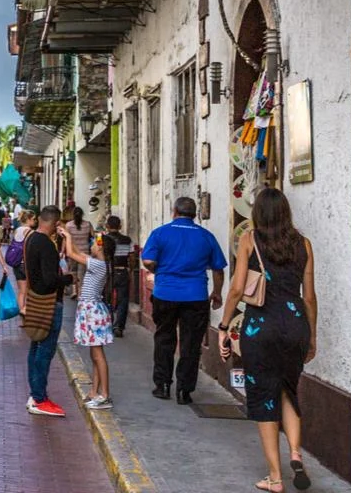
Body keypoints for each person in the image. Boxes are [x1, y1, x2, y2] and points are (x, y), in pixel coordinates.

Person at [218, 189, 318, 493]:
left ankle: (275, 478)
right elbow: (310, 297)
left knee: (264, 398)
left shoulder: (250, 239)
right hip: (295, 325)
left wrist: (224, 326)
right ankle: (296, 454)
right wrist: (311, 336)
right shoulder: (303, 244)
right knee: (288, 391)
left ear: (258, 213)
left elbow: (236, 289)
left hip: (261, 328)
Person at [141, 196, 228, 404]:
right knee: (191, 343)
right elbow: (218, 269)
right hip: (196, 296)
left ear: (174, 212)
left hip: (165, 294)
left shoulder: (160, 233)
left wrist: (159, 270)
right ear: (194, 214)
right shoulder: (206, 236)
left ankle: (162, 386)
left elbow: (148, 260)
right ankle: (184, 391)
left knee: (164, 339)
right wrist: (216, 292)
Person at [23, 205, 76, 417]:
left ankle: (35, 393)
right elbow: (49, 279)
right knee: (45, 349)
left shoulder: (30, 238)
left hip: (35, 299)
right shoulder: (46, 245)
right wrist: (69, 278)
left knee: (36, 346)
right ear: (55, 224)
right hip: (48, 302)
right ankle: (39, 397)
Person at [59, 228, 115, 408]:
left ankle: (104, 394)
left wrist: (68, 236)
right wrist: (69, 238)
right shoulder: (99, 263)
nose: (91, 244)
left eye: (94, 243)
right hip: (90, 310)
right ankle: (95, 391)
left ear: (100, 248)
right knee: (95, 354)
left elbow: (70, 253)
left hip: (92, 311)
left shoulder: (98, 264)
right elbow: (75, 251)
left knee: (98, 355)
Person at [103, 215, 135, 337]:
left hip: (107, 272)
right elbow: (132, 258)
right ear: (120, 226)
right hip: (122, 272)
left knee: (106, 298)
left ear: (107, 226)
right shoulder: (127, 240)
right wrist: (130, 270)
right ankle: (119, 326)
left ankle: (107, 323)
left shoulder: (102, 239)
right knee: (123, 300)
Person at [64, 205, 93, 293]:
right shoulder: (88, 224)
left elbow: (66, 239)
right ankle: (80, 293)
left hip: (72, 251)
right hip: (84, 252)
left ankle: (74, 291)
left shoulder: (68, 225)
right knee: (82, 274)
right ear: (82, 214)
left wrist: (63, 251)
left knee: (73, 271)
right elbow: (94, 236)